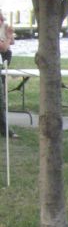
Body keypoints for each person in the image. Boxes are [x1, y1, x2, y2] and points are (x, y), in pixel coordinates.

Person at [0, 9, 15, 139]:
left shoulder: (3, 28)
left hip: (3, 60)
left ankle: (5, 129)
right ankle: (5, 129)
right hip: (3, 56)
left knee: (2, 98)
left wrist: (9, 35)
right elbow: (3, 47)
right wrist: (9, 36)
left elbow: (10, 44)